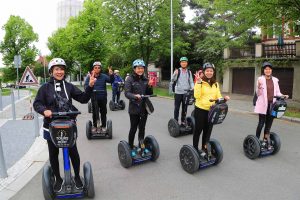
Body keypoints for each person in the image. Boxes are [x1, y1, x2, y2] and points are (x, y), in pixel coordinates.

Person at [33, 58, 96, 192]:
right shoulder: (45, 87)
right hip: (51, 126)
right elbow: (37, 103)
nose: (59, 71)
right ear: (51, 71)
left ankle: (77, 177)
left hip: (68, 125)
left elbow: (84, 99)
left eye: (61, 69)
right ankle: (58, 179)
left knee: (73, 152)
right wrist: (44, 110)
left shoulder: (69, 86)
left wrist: (90, 86)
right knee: (53, 153)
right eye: (56, 69)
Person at [193, 62, 230, 157]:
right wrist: (198, 83)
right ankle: (195, 149)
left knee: (207, 131)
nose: (209, 72)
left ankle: (204, 147)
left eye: (211, 71)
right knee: (198, 131)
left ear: (213, 72)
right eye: (207, 71)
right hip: (200, 110)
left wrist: (224, 99)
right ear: (204, 71)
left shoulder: (216, 84)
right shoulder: (200, 82)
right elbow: (196, 96)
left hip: (212, 111)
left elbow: (218, 97)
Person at [124, 59, 155, 156]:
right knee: (133, 128)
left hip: (143, 108)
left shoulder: (146, 79)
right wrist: (135, 96)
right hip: (134, 108)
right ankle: (130, 146)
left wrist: (150, 86)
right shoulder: (130, 79)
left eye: (142, 68)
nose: (140, 70)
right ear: (134, 69)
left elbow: (149, 93)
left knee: (142, 128)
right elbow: (127, 93)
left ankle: (141, 145)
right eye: (138, 68)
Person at [254, 62, 288, 148]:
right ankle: (256, 140)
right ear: (263, 70)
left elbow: (277, 92)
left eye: (269, 69)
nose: (267, 70)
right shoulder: (260, 79)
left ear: (271, 70)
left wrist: (283, 95)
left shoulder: (275, 80)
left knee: (269, 124)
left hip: (272, 105)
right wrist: (259, 87)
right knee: (261, 123)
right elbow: (258, 94)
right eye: (266, 69)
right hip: (263, 105)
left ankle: (265, 140)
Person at [84, 61, 114, 132]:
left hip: (103, 97)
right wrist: (89, 86)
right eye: (95, 68)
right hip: (94, 97)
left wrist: (111, 74)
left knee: (103, 112)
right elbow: (86, 86)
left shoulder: (103, 76)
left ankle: (103, 126)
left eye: (98, 68)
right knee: (95, 112)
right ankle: (95, 126)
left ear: (100, 69)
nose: (97, 69)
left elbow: (111, 81)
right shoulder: (90, 76)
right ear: (93, 69)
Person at [171, 57, 194, 125]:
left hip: (186, 93)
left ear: (187, 63)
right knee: (177, 108)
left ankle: (183, 121)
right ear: (180, 63)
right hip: (178, 92)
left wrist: (193, 87)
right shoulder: (178, 71)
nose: (184, 63)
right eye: (182, 62)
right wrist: (175, 74)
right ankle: (175, 121)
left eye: (185, 62)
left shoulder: (189, 72)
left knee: (185, 108)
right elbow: (172, 80)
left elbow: (191, 82)